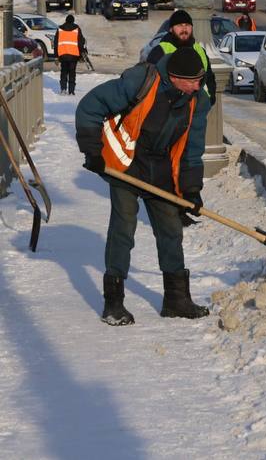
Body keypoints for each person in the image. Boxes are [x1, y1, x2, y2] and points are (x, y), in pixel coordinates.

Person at [75, 47, 212, 325]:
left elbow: (191, 149)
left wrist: (191, 190)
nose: (198, 85)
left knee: (171, 230)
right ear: (174, 77)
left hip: (160, 168)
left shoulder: (198, 100)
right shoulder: (140, 81)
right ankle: (113, 304)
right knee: (124, 228)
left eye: (200, 79)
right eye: (193, 80)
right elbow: (90, 106)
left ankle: (176, 300)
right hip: (126, 163)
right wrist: (93, 152)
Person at [147, 10, 216, 104]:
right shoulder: (160, 51)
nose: (184, 29)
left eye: (187, 25)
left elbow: (209, 78)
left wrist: (210, 99)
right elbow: (150, 81)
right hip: (171, 109)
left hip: (197, 108)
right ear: (171, 29)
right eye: (179, 25)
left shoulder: (200, 50)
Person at [56, 14, 87, 95]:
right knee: (72, 73)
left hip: (63, 55)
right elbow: (80, 42)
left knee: (64, 72)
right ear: (73, 21)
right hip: (73, 55)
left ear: (66, 20)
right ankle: (71, 91)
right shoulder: (77, 29)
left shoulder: (60, 29)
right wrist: (81, 54)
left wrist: (56, 55)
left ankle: (63, 89)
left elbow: (56, 43)